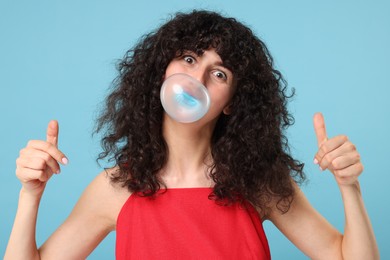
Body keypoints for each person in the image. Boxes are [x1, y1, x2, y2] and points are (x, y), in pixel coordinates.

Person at [5, 10, 379, 259]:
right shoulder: (115, 188)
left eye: (219, 74)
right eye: (188, 58)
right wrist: (30, 197)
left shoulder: (259, 183)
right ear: (162, 71)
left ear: (232, 102)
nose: (195, 78)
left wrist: (350, 188)